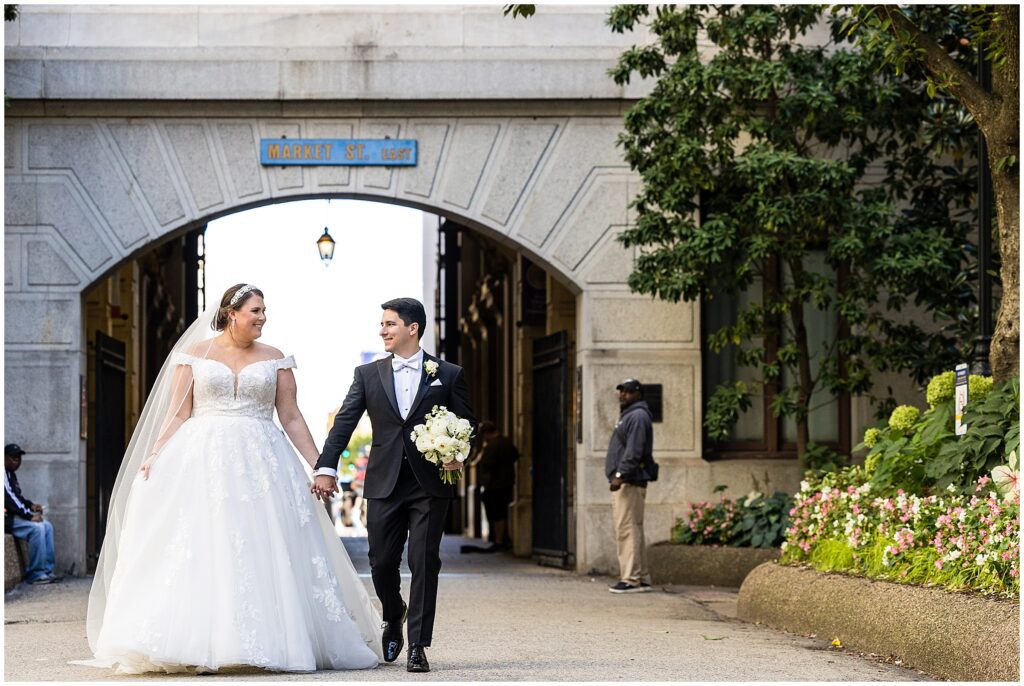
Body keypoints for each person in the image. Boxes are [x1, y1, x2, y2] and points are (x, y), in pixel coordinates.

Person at [76, 284, 382, 674]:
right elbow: (178, 413)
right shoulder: (194, 356)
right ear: (232, 312)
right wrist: (155, 454)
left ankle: (270, 639)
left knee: (262, 543)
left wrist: (320, 465)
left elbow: (290, 416)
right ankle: (196, 640)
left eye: (264, 311)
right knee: (203, 543)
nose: (262, 317)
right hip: (202, 459)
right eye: (256, 310)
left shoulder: (276, 359)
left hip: (263, 460)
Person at [311, 297, 476, 673]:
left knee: (423, 561)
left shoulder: (447, 374)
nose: (382, 331)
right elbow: (344, 423)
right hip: (384, 482)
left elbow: (468, 423)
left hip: (429, 483)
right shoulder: (367, 375)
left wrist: (460, 453)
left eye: (389, 324)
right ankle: (392, 610)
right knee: (381, 562)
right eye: (382, 325)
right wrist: (326, 466)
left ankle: (418, 644)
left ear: (412, 328)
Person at [605, 378, 656, 594]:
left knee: (627, 529)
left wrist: (620, 475)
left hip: (630, 480)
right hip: (630, 479)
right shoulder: (632, 415)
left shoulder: (637, 416)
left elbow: (634, 451)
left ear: (638, 394)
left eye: (628, 392)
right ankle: (641, 576)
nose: (623, 395)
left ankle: (631, 578)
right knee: (633, 527)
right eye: (621, 391)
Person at [4, 443, 58, 584]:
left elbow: (18, 497)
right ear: (4, 457)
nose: (17, 461)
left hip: (14, 515)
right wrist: (29, 516)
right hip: (6, 519)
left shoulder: (11, 474)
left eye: (19, 458)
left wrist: (31, 505)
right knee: (37, 528)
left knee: (47, 526)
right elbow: (8, 499)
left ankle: (47, 570)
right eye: (13, 458)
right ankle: (36, 574)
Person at [471, 421, 518, 551]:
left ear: (486, 434)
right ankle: (502, 539)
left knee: (497, 514)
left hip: (495, 485)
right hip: (507, 483)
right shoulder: (506, 441)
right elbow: (515, 455)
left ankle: (499, 540)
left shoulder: (492, 446)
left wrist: (486, 485)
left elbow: (487, 466)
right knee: (502, 512)